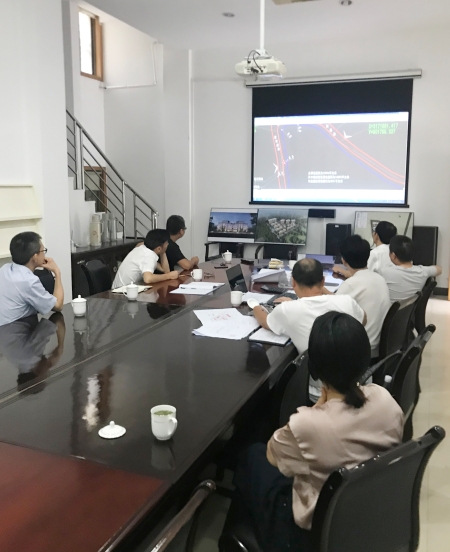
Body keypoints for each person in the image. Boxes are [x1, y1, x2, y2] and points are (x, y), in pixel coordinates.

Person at [230, 312, 404, 552]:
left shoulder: (309, 424)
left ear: (315, 366)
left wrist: (317, 408)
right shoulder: (384, 398)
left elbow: (273, 455)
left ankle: (233, 539)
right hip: (368, 515)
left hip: (311, 535)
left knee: (253, 456)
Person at [253, 258, 366, 356]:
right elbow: (363, 319)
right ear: (323, 281)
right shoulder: (347, 301)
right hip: (353, 370)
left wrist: (255, 306)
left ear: (293, 282)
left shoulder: (287, 310)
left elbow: (264, 321)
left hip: (315, 374)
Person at [334, 234, 391, 357]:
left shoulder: (351, 285)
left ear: (344, 260)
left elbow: (330, 310)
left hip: (360, 350)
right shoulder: (379, 278)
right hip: (378, 345)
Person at [0, 232, 64, 327]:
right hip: (17, 331)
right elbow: (58, 306)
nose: (44, 254)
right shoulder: (28, 281)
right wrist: (57, 272)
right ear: (35, 257)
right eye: (43, 251)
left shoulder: (4, 269)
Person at [381, 235, 442, 302]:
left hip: (389, 308)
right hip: (410, 308)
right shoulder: (422, 271)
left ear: (393, 256)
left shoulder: (384, 273)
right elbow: (439, 270)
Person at [112, 229, 180, 288]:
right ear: (158, 248)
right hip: (121, 294)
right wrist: (168, 276)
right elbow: (148, 279)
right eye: (166, 243)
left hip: (124, 289)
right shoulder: (148, 256)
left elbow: (165, 271)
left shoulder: (143, 248)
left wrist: (163, 252)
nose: (168, 244)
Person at [333, 221, 397, 280]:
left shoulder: (375, 253)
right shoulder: (394, 252)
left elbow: (360, 275)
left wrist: (340, 270)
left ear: (376, 235)